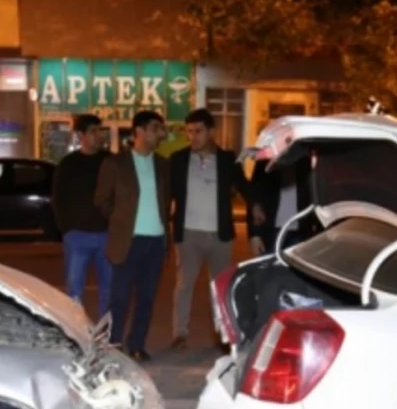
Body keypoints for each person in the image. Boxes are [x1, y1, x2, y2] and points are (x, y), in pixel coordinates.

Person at [167, 108, 253, 350]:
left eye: (198, 131)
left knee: (221, 288)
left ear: (211, 132)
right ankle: (179, 333)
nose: (193, 137)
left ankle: (223, 333)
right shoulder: (179, 160)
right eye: (190, 132)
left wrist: (256, 207)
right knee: (184, 285)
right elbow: (167, 193)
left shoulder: (227, 159)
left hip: (220, 235)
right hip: (189, 235)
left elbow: (244, 187)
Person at [94, 109, 171, 361]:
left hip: (155, 241)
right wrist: (120, 221)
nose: (160, 134)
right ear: (139, 131)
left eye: (160, 129)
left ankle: (137, 344)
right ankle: (113, 344)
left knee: (146, 299)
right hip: (128, 241)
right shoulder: (115, 163)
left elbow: (166, 198)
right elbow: (102, 201)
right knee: (120, 297)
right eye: (155, 129)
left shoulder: (162, 164)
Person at [51, 114, 112, 318]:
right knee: (74, 289)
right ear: (81, 135)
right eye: (93, 131)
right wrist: (66, 228)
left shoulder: (109, 161)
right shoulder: (68, 164)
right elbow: (58, 198)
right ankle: (77, 332)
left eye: (99, 131)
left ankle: (105, 335)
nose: (98, 136)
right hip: (77, 235)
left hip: (106, 234)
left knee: (108, 287)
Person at [249, 155, 313, 256]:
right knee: (270, 270)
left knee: (296, 271)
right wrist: (254, 235)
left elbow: (315, 195)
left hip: (300, 233)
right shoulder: (266, 160)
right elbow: (254, 197)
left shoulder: (305, 160)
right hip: (272, 232)